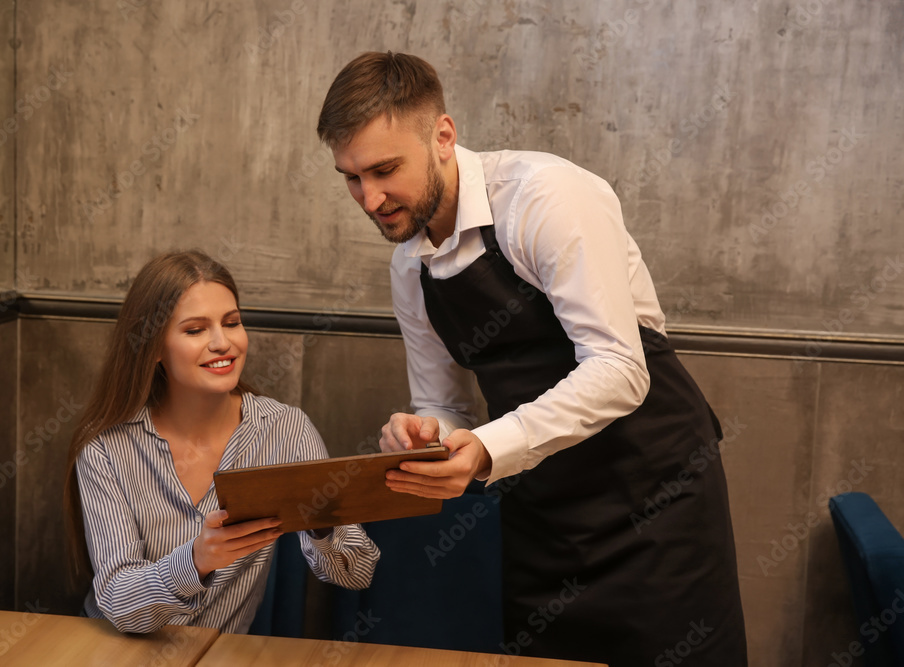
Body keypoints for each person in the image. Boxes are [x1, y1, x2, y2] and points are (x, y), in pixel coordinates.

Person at [316, 52, 747, 666]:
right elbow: (446, 404)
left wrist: (490, 448)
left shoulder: (544, 197)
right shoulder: (408, 265)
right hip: (543, 510)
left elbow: (620, 368)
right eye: (351, 177)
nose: (369, 198)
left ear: (443, 136)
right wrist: (427, 434)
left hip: (656, 493)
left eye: (385, 170)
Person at [62, 249, 379, 634]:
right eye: (195, 330)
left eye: (232, 323)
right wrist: (196, 560)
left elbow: (357, 572)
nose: (222, 343)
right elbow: (119, 603)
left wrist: (321, 525)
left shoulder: (285, 430)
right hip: (112, 650)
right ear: (155, 347)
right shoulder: (104, 447)